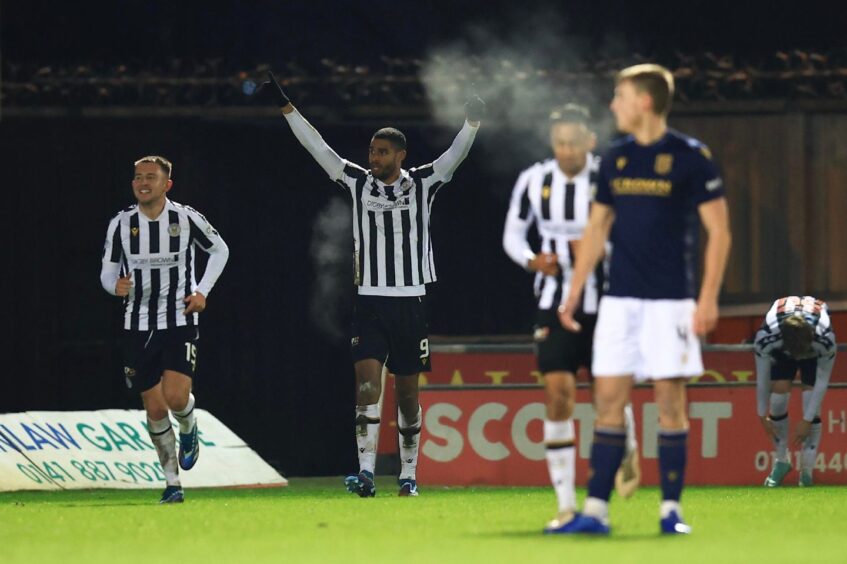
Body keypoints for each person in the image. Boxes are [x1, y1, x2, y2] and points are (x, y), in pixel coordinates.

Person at [263, 72, 482, 497]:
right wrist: (286, 105)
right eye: (371, 150)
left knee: (406, 395)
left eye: (382, 152)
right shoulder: (357, 182)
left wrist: (472, 123)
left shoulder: (423, 183)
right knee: (366, 385)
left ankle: (408, 475)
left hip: (411, 301)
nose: (373, 157)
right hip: (370, 302)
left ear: (401, 154)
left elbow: (454, 156)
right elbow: (317, 146)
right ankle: (365, 473)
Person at [558, 64, 732, 535]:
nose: (613, 104)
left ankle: (670, 511)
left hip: (670, 303)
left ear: (645, 102)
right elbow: (596, 229)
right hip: (619, 303)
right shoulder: (614, 159)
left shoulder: (691, 156)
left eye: (620, 96)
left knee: (669, 402)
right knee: (609, 400)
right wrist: (573, 293)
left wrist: (708, 298)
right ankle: (595, 511)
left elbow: (719, 231)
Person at [502, 104, 640, 533]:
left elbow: (634, 232)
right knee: (558, 393)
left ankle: (628, 443)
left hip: (608, 301)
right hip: (552, 301)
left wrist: (603, 251)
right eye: (559, 143)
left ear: (589, 143)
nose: (565, 151)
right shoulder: (534, 180)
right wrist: (531, 261)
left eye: (573, 143)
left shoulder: (609, 178)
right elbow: (512, 234)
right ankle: (565, 506)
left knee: (606, 398)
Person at [100, 155, 229, 503]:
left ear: (166, 184)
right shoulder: (121, 224)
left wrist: (202, 291)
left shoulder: (185, 218)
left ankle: (188, 427)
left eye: (151, 177)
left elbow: (220, 250)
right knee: (154, 408)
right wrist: (115, 287)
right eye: (138, 177)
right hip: (136, 323)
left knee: (174, 398)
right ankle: (173, 484)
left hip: (179, 318)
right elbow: (107, 272)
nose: (143, 182)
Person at [754, 296, 837, 487]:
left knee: (811, 402)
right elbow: (763, 378)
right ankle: (782, 461)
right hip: (784, 342)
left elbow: (821, 382)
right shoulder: (766, 338)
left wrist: (807, 421)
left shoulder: (825, 339)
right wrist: (761, 415)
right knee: (778, 392)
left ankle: (807, 472)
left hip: (811, 344)